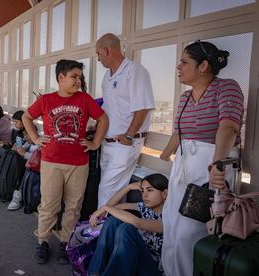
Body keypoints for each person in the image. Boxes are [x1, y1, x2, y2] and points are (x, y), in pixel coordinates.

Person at [159, 41, 244, 276]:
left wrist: (216, 165)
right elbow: (178, 134)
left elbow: (228, 127)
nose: (178, 67)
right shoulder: (185, 98)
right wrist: (165, 156)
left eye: (184, 62)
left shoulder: (227, 87)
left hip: (210, 166)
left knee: (190, 232)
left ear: (203, 66)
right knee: (172, 225)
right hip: (184, 165)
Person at [22, 59, 109, 264]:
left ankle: (65, 242)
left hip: (79, 164)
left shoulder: (85, 99)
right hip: (51, 162)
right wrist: (35, 138)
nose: (78, 80)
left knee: (73, 206)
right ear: (61, 77)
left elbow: (103, 119)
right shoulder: (46, 100)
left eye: (80, 77)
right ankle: (42, 241)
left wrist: (95, 143)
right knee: (49, 205)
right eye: (74, 76)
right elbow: (27, 117)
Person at [95, 33, 155, 208]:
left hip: (124, 144)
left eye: (98, 54)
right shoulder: (107, 77)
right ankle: (111, 232)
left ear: (106, 50)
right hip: (108, 144)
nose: (98, 59)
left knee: (106, 192)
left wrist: (129, 136)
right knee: (115, 194)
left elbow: (143, 107)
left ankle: (98, 232)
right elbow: (110, 107)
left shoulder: (135, 71)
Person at [88, 174, 168, 276]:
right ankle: (94, 273)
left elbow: (138, 223)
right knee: (113, 221)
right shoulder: (145, 207)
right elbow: (114, 207)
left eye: (150, 190)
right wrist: (128, 187)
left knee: (126, 229)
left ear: (164, 194)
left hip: (151, 268)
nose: (144, 195)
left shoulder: (168, 218)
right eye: (142, 190)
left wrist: (105, 208)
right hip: (134, 259)